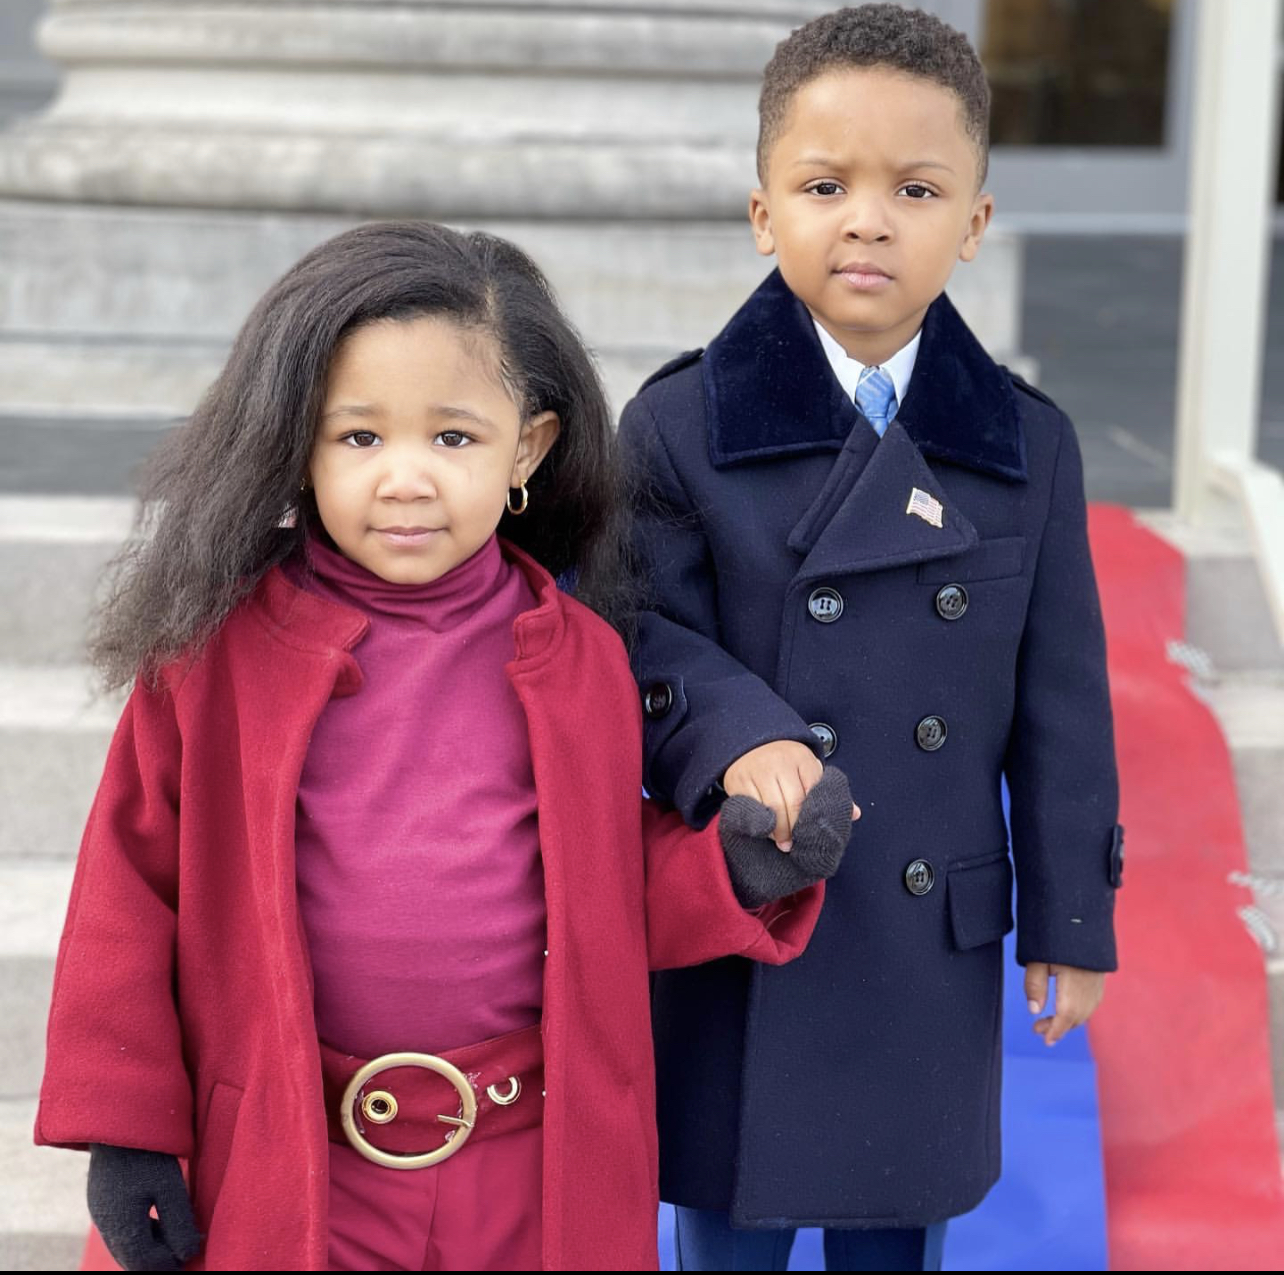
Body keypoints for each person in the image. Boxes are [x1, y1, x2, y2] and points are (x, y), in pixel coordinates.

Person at [35, 222, 855, 1272]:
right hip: (293, 1160)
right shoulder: (214, 655)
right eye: (358, 438)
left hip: (528, 1173)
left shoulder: (580, 658)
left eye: (454, 438)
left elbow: (602, 890)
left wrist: (734, 869)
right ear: (295, 445)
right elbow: (128, 891)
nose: (406, 479)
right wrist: (127, 1127)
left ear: (529, 449)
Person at [619, 7, 1123, 1270]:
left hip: (923, 930)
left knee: (900, 1237)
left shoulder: (1026, 445)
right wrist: (743, 737)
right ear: (762, 213)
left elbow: (1062, 705)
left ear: (975, 222)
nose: (869, 221)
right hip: (757, 898)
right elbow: (635, 638)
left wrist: (1072, 919)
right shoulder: (680, 427)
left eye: (916, 189)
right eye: (825, 185)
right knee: (729, 1233)